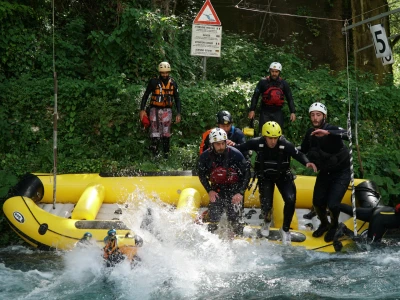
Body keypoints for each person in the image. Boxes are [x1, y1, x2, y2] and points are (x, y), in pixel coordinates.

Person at [235, 121, 317, 245]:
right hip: (265, 177)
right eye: (270, 138)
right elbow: (241, 147)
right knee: (266, 204)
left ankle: (285, 230)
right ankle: (266, 222)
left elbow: (297, 154)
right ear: (264, 137)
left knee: (290, 199)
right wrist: (231, 145)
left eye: (275, 138)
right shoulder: (257, 142)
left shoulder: (285, 144)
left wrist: (307, 162)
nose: (273, 141)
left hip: (283, 177)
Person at [300, 102, 351, 243]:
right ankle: (324, 224)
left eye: (318, 115)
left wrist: (327, 133)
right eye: (312, 115)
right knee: (317, 202)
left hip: (341, 172)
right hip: (325, 172)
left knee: (333, 204)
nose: (315, 118)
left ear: (324, 116)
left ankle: (334, 226)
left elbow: (349, 134)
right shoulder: (310, 133)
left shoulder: (332, 129)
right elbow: (302, 151)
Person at [198, 128, 251, 235]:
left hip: (234, 190)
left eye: (223, 143)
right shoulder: (205, 156)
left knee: (235, 223)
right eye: (217, 144)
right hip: (217, 190)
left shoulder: (236, 154)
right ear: (212, 144)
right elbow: (201, 174)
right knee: (213, 222)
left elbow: (247, 174)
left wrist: (240, 192)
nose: (221, 147)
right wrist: (209, 190)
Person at [139, 61, 182, 158]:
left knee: (166, 133)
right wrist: (142, 110)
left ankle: (166, 156)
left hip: (167, 111)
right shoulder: (153, 82)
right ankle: (154, 155)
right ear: (160, 72)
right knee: (155, 132)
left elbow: (177, 99)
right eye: (163, 73)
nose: (165, 75)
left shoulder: (173, 83)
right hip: (154, 109)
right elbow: (145, 96)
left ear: (169, 72)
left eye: (166, 72)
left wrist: (179, 113)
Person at [248, 62, 296, 132]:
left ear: (279, 72)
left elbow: (289, 98)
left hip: (278, 112)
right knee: (263, 132)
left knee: (278, 132)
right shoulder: (263, 82)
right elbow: (255, 96)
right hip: (265, 111)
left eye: (276, 72)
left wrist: (292, 112)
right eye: (272, 71)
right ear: (270, 71)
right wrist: (252, 110)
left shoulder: (284, 83)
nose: (274, 73)